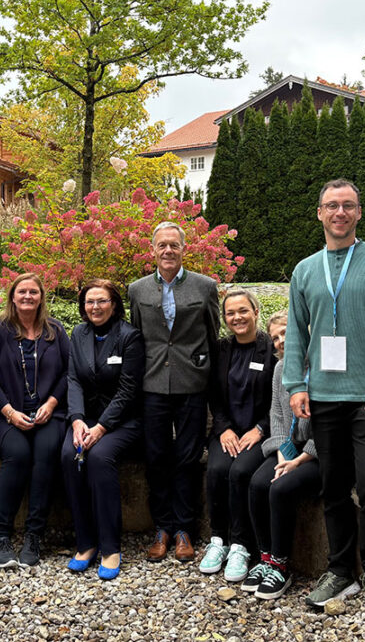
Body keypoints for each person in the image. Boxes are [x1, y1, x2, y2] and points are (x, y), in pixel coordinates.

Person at [284, 179, 365, 614]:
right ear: (319, 212)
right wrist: (296, 386)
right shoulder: (304, 270)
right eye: (331, 205)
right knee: (333, 487)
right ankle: (341, 571)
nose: (340, 212)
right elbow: (296, 334)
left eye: (348, 206)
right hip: (323, 396)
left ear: (359, 213)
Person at [129, 221, 220, 562]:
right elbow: (137, 337)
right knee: (155, 458)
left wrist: (208, 378)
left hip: (191, 383)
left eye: (174, 245)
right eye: (162, 245)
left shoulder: (204, 287)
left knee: (186, 457)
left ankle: (184, 528)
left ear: (184, 249)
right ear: (152, 250)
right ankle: (162, 527)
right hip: (152, 384)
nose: (168, 251)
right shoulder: (137, 290)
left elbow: (212, 336)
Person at [0, 273, 70, 568]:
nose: (27, 297)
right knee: (17, 452)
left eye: (33, 292)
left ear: (41, 297)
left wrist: (52, 403)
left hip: (50, 413)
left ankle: (34, 535)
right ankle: (1, 535)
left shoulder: (55, 331)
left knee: (45, 452)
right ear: (12, 297)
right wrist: (9, 412)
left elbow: (70, 373)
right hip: (2, 414)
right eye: (22, 292)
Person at [60, 279, 144, 580]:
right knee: (70, 454)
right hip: (87, 420)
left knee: (98, 457)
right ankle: (86, 542)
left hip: (124, 421)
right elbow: (73, 380)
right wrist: (78, 420)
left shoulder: (129, 337)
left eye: (102, 301)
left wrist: (102, 427)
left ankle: (110, 546)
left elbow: (128, 389)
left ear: (114, 304)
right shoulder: (79, 333)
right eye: (89, 302)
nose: (95, 307)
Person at [240, 311, 321, 600]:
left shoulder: (322, 365)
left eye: (286, 333)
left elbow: (328, 427)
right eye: (275, 337)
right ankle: (266, 558)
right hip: (291, 449)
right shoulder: (280, 369)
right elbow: (276, 415)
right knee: (258, 482)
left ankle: (281, 564)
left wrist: (300, 459)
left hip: (319, 453)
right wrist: (282, 455)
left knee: (281, 487)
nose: (281, 341)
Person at [199, 289, 275, 582]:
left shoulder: (271, 350)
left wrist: (260, 429)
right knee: (217, 468)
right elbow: (214, 396)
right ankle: (219, 540)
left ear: (256, 312)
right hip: (228, 430)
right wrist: (224, 427)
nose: (237, 317)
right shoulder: (221, 350)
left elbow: (279, 399)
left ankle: (242, 545)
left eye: (243, 311)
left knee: (241, 471)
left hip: (260, 432)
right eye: (230, 313)